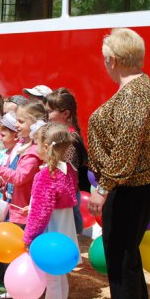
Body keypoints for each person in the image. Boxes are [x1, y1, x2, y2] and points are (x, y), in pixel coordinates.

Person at [87, 28, 150, 299]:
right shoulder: (144, 85)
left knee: (118, 248)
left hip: (131, 185)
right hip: (142, 182)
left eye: (105, 58)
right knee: (128, 247)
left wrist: (104, 187)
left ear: (114, 60)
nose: (104, 63)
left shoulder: (134, 95)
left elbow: (126, 145)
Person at [0, 100, 46, 299]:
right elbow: (14, 179)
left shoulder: (33, 152)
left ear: (34, 124)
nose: (18, 125)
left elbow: (20, 177)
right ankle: (15, 290)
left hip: (25, 211)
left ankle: (25, 297)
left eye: (22, 121)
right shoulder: (27, 149)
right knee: (15, 254)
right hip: (17, 209)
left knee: (22, 255)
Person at [20, 122, 80, 299]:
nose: (35, 148)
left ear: (46, 146)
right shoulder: (69, 170)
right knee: (61, 276)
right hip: (64, 229)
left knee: (52, 279)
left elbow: (42, 211)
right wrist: (34, 202)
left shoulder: (46, 175)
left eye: (36, 144)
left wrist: (29, 237)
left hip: (50, 233)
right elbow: (56, 200)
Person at [44, 87, 90, 233]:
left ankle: (77, 239)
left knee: (69, 221)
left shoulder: (67, 137)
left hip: (66, 188)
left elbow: (64, 164)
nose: (47, 115)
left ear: (65, 114)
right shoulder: (64, 133)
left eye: (50, 111)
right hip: (66, 187)